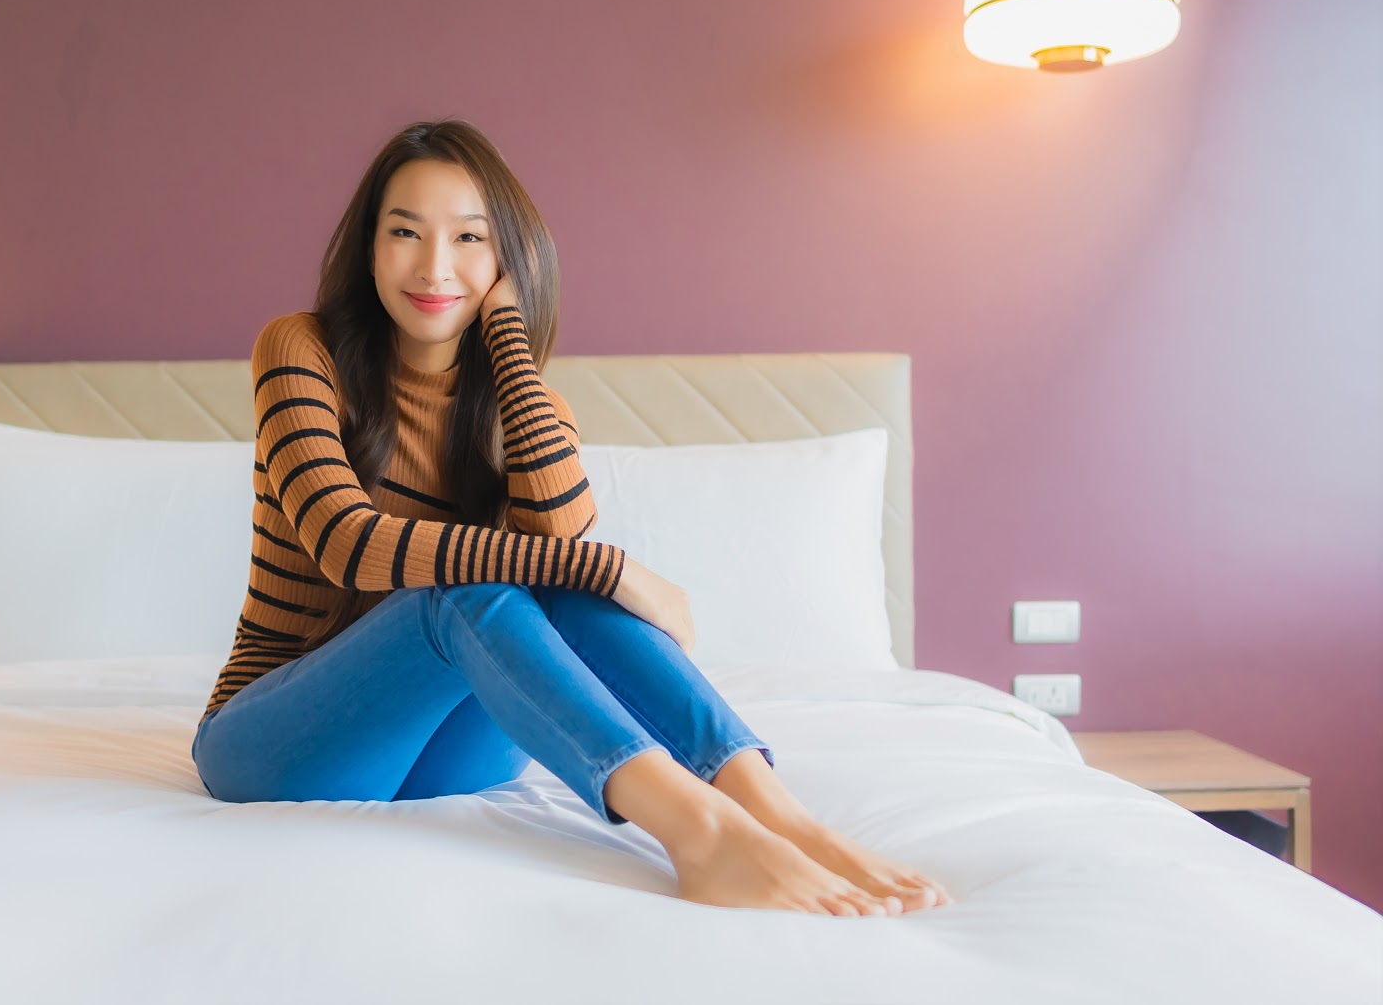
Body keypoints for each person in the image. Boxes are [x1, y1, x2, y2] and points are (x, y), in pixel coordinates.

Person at [191, 118, 953, 918]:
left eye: (471, 239)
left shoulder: (533, 405)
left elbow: (557, 557)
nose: (434, 266)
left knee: (546, 591)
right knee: (468, 592)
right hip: (279, 741)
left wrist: (510, 347)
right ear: (369, 248)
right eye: (404, 232)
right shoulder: (299, 350)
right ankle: (699, 832)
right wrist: (615, 568)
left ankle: (781, 816)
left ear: (507, 262)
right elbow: (346, 543)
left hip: (450, 753)